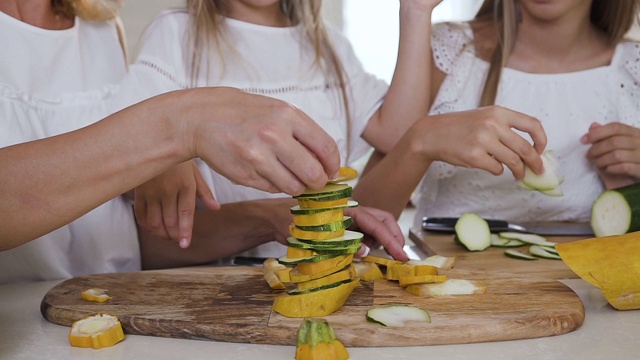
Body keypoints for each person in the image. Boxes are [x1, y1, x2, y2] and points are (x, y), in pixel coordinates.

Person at [0, 0, 348, 282]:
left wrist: (268, 219)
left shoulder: (102, 30)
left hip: (116, 314)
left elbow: (123, 242)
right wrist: (173, 128)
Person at [113, 0, 455, 264]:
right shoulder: (176, 33)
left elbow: (398, 136)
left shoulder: (328, 46)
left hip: (321, 272)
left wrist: (415, 9)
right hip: (213, 281)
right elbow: (130, 158)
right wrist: (162, 161)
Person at [353, 0, 640, 227]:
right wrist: (421, 141)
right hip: (453, 289)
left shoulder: (632, 68)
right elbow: (359, 223)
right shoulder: (448, 49)